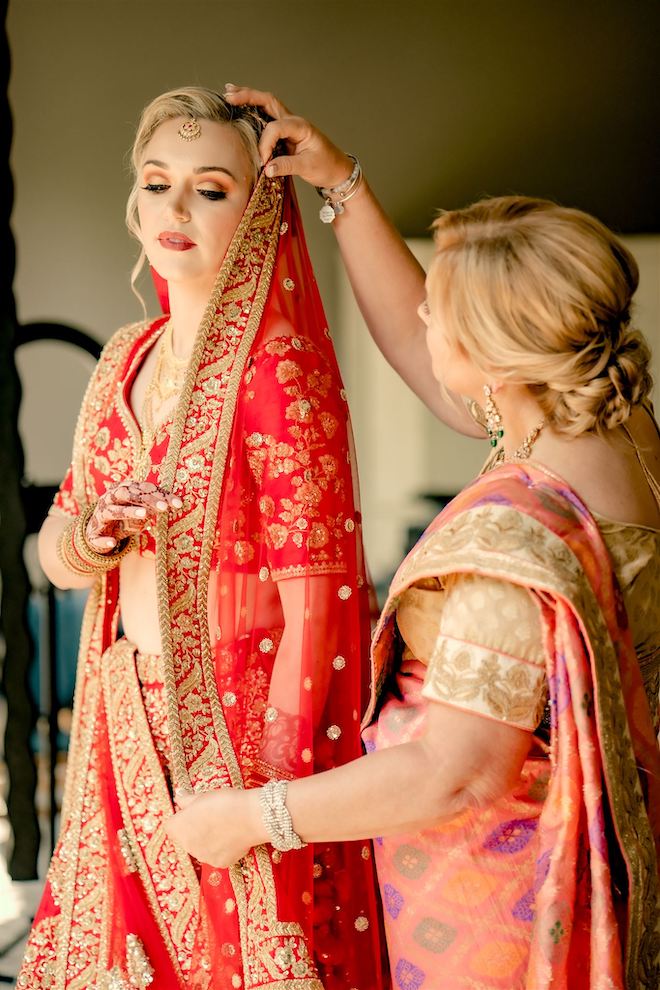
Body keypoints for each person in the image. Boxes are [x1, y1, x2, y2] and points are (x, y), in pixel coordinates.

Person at [168, 89, 660, 990]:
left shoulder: (516, 540)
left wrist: (249, 816)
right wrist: (338, 183)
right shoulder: (613, 426)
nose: (421, 320)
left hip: (496, 903)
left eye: (443, 312)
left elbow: (454, 773)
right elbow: (421, 344)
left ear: (500, 360)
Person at [17, 87, 387, 990]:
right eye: (157, 182)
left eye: (211, 188)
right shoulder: (122, 359)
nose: (175, 210)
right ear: (135, 199)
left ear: (258, 206)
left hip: (238, 729)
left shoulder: (279, 364)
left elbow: (321, 601)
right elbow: (51, 549)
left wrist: (274, 800)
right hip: (120, 721)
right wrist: (90, 540)